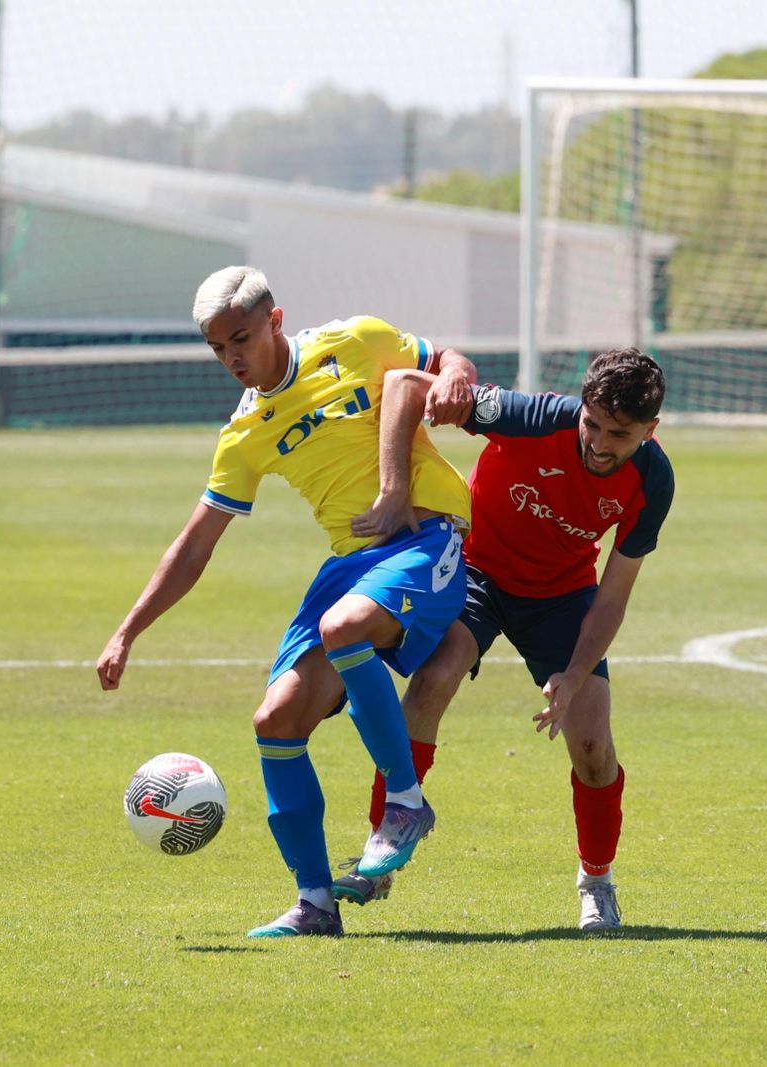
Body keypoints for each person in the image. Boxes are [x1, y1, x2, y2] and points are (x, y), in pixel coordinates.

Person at [96, 265, 478, 938]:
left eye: (240, 338)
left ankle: (405, 801)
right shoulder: (245, 432)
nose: (232, 359)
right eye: (218, 349)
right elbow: (193, 546)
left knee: (345, 624)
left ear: (274, 320)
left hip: (426, 534)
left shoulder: (353, 341)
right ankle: (315, 904)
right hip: (350, 562)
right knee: (274, 719)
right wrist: (128, 630)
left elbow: (442, 359)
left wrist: (455, 375)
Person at [333, 348, 674, 931]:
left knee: (593, 752)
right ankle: (379, 853)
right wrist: (396, 487)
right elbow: (409, 389)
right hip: (476, 574)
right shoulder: (530, 415)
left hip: (564, 598)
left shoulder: (653, 480)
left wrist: (572, 674)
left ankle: (597, 882)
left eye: (619, 434)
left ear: (650, 430)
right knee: (433, 681)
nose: (598, 442)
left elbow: (613, 594)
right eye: (592, 424)